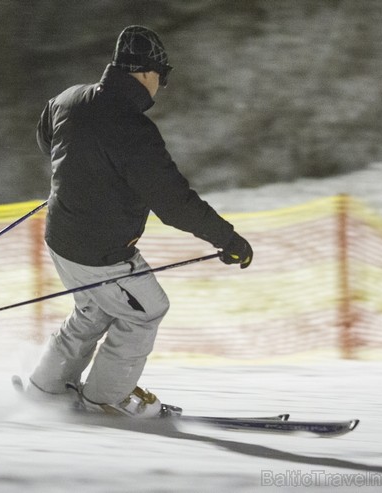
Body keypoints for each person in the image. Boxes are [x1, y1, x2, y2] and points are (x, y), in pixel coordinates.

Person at [27, 25, 252, 418]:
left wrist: (78, 168)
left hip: (60, 238)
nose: (160, 88)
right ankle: (106, 398)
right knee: (147, 309)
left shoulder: (71, 99)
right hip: (102, 253)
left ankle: (45, 388)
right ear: (147, 73)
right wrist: (227, 239)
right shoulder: (134, 131)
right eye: (161, 79)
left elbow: (47, 134)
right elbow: (173, 203)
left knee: (93, 311)